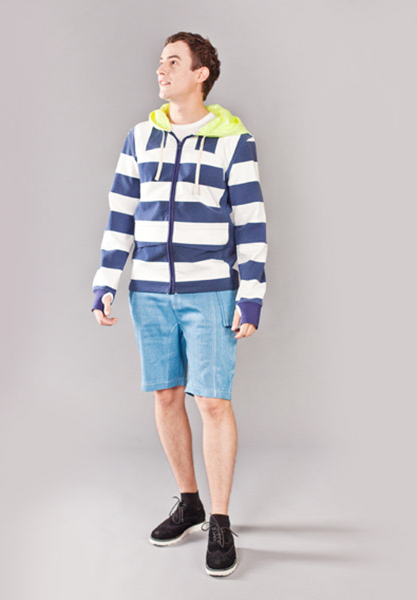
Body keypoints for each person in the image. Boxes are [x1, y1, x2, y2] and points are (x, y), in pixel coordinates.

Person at [91, 31, 267, 577]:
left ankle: (220, 519)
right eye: (160, 63)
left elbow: (251, 223)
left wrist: (251, 294)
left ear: (200, 74)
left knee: (212, 402)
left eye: (173, 62)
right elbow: (121, 214)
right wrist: (105, 280)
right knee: (167, 396)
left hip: (210, 290)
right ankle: (189, 503)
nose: (161, 71)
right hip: (149, 291)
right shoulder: (140, 138)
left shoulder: (234, 140)